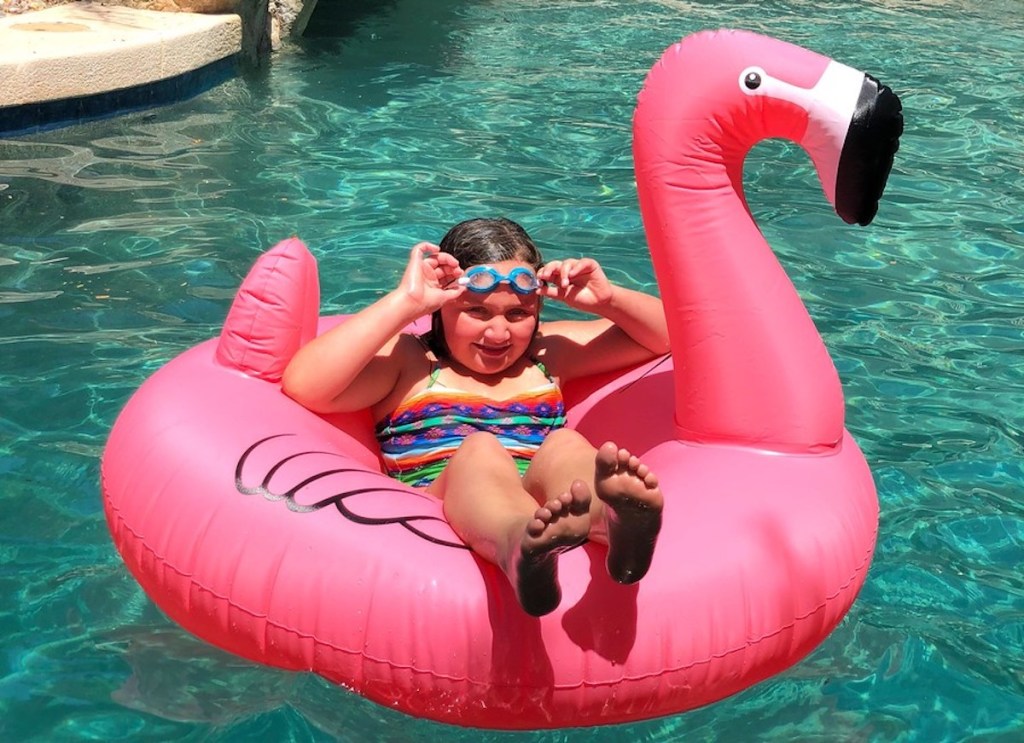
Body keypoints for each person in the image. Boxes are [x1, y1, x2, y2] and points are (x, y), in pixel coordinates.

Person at [282, 217, 669, 616]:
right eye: (477, 311)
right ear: (442, 304)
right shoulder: (410, 363)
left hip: (544, 501)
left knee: (565, 444)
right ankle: (518, 543)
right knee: (480, 451)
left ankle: (612, 520)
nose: (499, 333)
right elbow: (305, 385)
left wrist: (606, 300)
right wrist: (406, 301)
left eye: (518, 314)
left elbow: (669, 336)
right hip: (451, 498)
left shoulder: (546, 356)